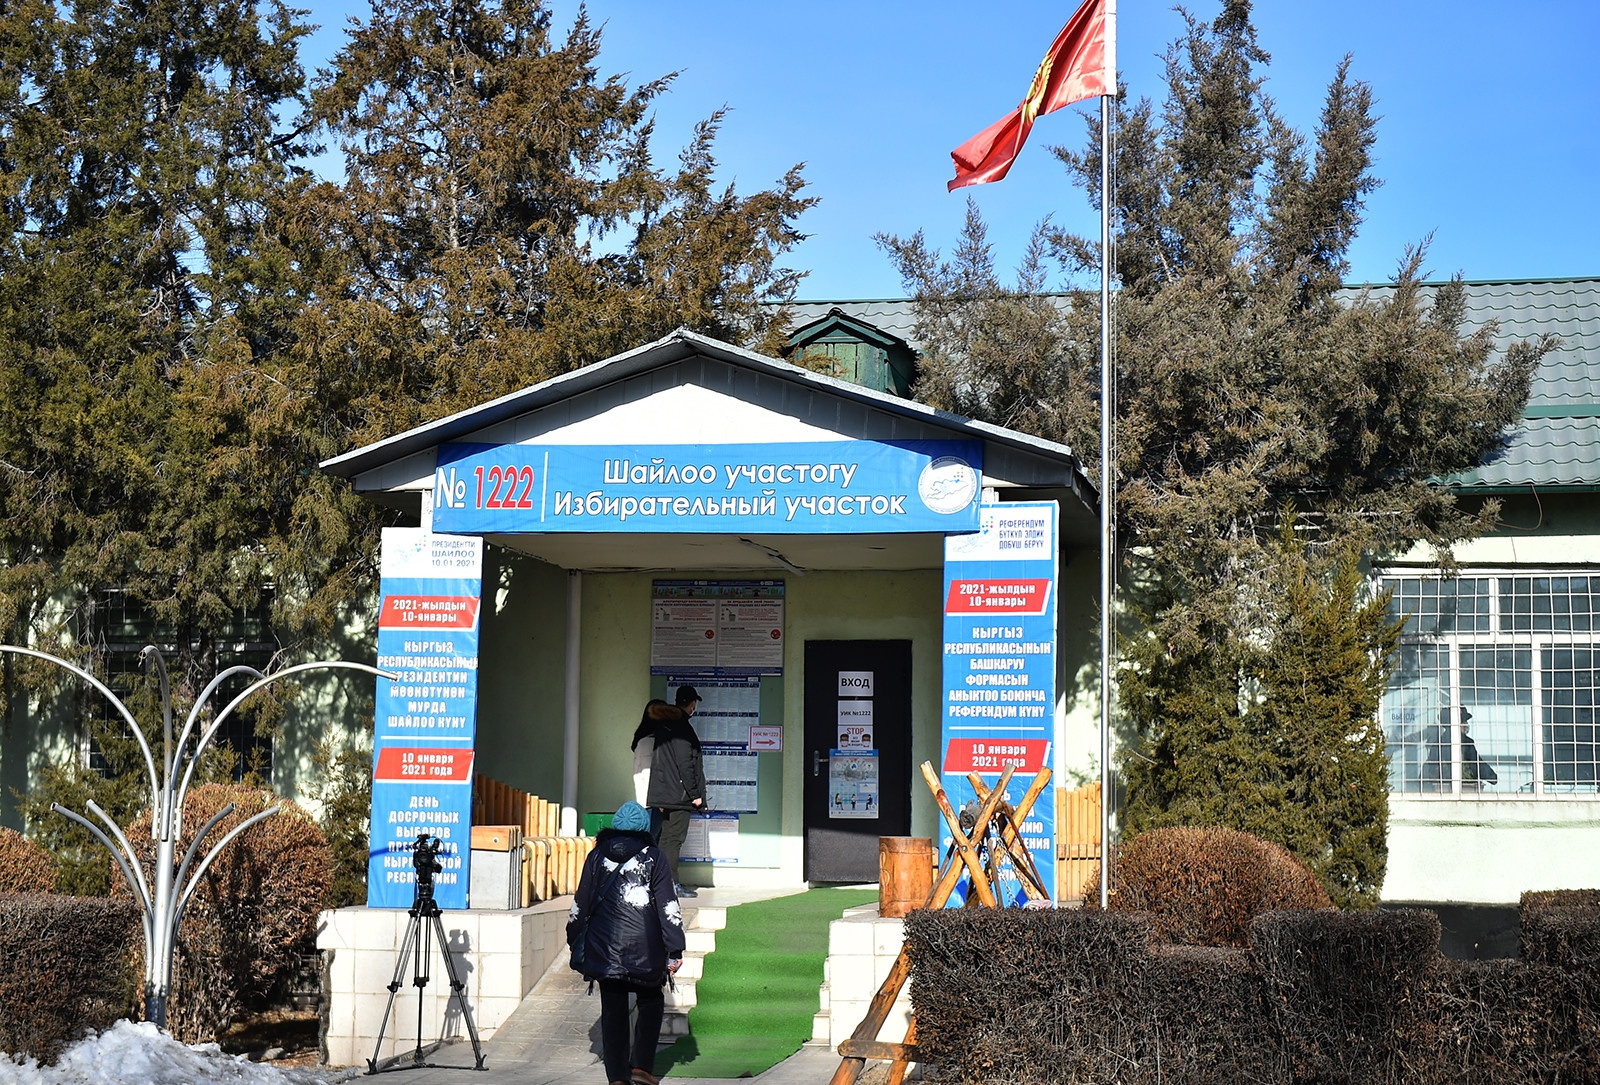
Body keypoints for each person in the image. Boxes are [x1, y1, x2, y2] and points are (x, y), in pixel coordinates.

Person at [567, 801, 684, 1085]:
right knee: (652, 1000)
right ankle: (642, 1067)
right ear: (644, 829)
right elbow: (668, 906)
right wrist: (675, 948)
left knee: (613, 1009)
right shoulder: (654, 858)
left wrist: (573, 938)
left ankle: (618, 1077)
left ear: (615, 827)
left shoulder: (596, 857)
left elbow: (580, 904)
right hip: (647, 948)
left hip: (605, 949)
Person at [647, 684, 706, 898]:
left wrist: (659, 795)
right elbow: (685, 763)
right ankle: (670, 885)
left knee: (665, 840)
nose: (694, 707)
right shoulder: (681, 726)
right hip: (679, 795)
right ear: (691, 703)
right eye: (694, 703)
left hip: (666, 793)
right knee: (673, 840)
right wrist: (695, 794)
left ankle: (661, 883)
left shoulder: (665, 725)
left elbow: (662, 762)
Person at [630, 699, 672, 841]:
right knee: (652, 840)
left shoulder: (641, 740)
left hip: (646, 801)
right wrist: (660, 801)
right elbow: (649, 775)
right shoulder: (651, 742)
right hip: (654, 802)